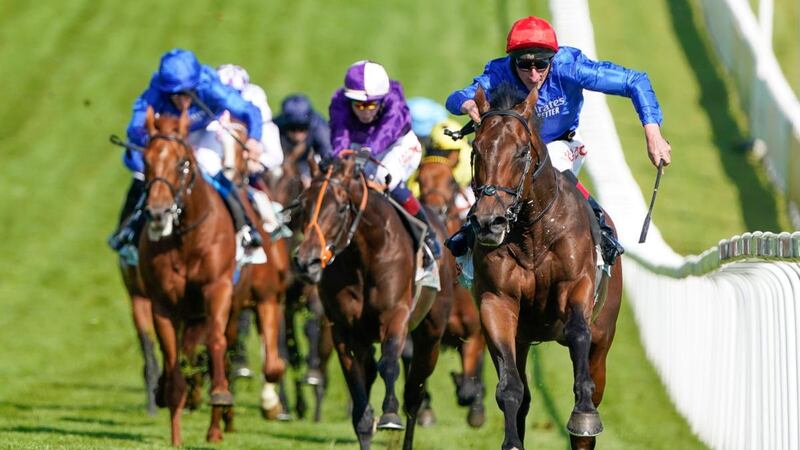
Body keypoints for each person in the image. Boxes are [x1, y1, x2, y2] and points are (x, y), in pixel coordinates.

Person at [444, 16, 672, 267]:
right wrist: (466, 103)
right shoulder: (499, 73)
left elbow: (635, 81)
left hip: (564, 145)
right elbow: (456, 97)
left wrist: (653, 133)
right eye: (524, 65)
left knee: (550, 167)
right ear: (512, 60)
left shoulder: (570, 67)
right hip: (518, 150)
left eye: (541, 65)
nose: (533, 75)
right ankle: (470, 231)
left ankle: (600, 225)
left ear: (552, 58)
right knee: (496, 172)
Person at [108, 48, 266, 262]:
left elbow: (249, 111)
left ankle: (246, 227)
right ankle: (128, 231)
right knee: (147, 172)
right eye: (176, 95)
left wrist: (254, 139)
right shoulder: (155, 91)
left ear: (196, 85)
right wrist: (157, 147)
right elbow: (135, 129)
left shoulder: (209, 85)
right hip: (171, 136)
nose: (182, 101)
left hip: (206, 128)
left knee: (211, 167)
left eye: (187, 93)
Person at [328, 60, 441, 266]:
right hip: (361, 148)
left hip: (399, 146)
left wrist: (367, 150)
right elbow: (340, 134)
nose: (364, 111)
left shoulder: (394, 102)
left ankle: (428, 235)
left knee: (382, 177)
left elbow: (386, 132)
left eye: (370, 105)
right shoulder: (339, 102)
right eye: (358, 105)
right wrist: (340, 156)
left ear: (380, 101)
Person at [216, 64, 284, 173]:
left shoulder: (255, 99)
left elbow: (275, 156)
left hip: (252, 156)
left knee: (275, 164)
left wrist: (251, 161)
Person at [273, 94, 333, 186]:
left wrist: (316, 178)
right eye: (292, 127)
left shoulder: (321, 130)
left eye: (302, 128)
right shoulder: (274, 127)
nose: (297, 134)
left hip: (310, 163)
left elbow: (329, 157)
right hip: (283, 163)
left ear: (309, 124)